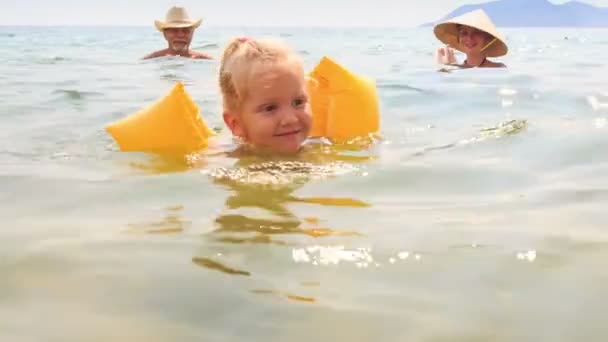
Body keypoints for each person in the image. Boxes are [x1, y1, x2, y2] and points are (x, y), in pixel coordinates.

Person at [218, 37, 312, 155]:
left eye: (298, 102)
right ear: (236, 124)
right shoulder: (237, 164)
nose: (291, 119)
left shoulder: (319, 147)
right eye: (270, 108)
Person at [434, 9, 507, 69]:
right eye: (464, 33)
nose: (469, 38)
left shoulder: (498, 68)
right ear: (459, 38)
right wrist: (445, 69)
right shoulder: (454, 69)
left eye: (476, 32)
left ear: (487, 39)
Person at [143, 6, 212, 60]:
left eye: (186, 30)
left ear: (192, 33)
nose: (180, 35)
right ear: (165, 34)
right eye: (174, 30)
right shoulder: (152, 59)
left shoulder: (204, 60)